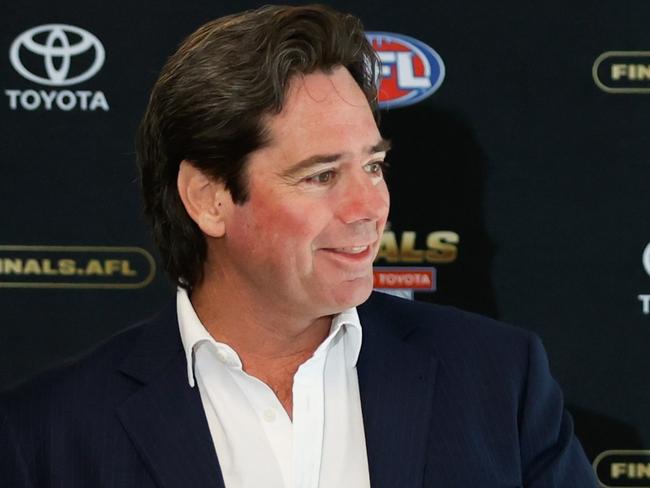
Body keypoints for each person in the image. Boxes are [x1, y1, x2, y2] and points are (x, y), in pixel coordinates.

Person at [0, 4, 598, 487]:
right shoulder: (47, 435)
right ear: (208, 198)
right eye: (320, 176)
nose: (370, 208)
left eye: (373, 166)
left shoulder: (498, 381)